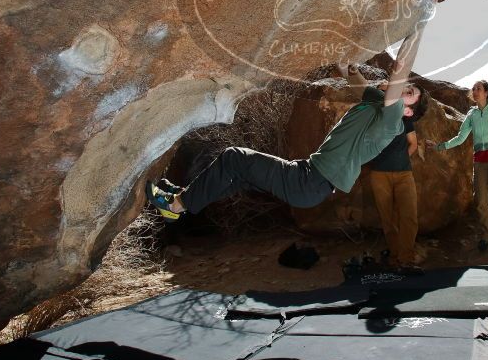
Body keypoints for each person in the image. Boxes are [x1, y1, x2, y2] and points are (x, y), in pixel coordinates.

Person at [145, 30, 429, 222]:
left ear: (406, 111)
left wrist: (418, 27)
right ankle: (183, 196)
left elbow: (399, 72)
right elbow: (352, 75)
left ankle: (175, 207)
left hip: (309, 183)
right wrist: (346, 58)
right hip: (308, 177)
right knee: (236, 174)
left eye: (408, 94)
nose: (401, 90)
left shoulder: (392, 122)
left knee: (234, 156)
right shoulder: (376, 104)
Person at [425, 80, 488, 252]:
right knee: (480, 200)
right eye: (474, 88)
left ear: (486, 92)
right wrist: (439, 146)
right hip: (480, 160)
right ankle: (485, 234)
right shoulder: (472, 115)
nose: (475, 91)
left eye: (479, 88)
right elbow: (461, 137)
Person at [366, 78, 422, 273]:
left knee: (409, 216)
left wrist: (400, 157)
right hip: (379, 174)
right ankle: (395, 257)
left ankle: (406, 258)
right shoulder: (374, 116)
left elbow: (413, 144)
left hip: (404, 173)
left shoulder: (405, 118)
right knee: (387, 218)